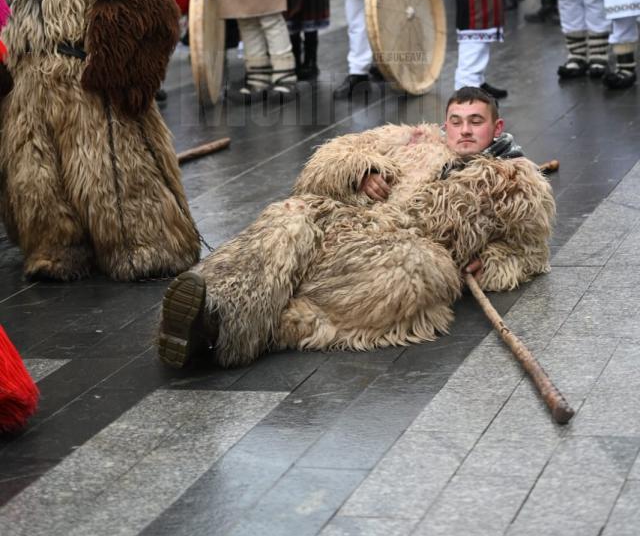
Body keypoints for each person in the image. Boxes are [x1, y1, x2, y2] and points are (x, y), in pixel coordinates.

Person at [158, 86, 554, 369]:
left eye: (476, 122)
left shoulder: (514, 181)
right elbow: (330, 156)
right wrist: (359, 171)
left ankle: (240, 333)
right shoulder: (410, 139)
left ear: (496, 127)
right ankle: (209, 305)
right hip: (342, 222)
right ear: (445, 123)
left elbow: (530, 253)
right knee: (289, 218)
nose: (465, 131)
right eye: (456, 121)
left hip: (402, 248)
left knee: (405, 275)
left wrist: (493, 264)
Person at [0, 0, 200, 281]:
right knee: (36, 174)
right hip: (26, 69)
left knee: (111, 171)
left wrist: (118, 64)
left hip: (83, 65)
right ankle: (57, 249)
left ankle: (144, 247)